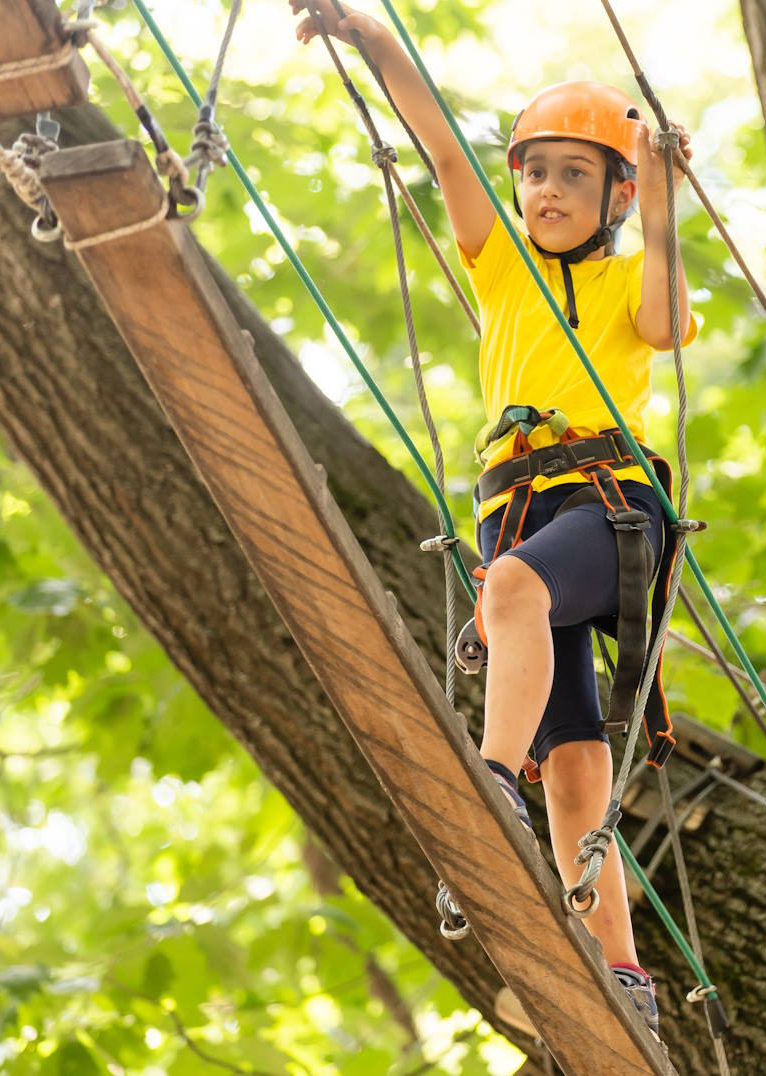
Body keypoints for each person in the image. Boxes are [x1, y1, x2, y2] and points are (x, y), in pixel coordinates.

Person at [293, 1, 697, 1040]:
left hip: (609, 509)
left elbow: (661, 321)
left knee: (510, 589)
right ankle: (622, 966)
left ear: (612, 193)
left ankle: (484, 781)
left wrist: (661, 199)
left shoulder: (619, 278)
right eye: (535, 171)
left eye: (575, 174)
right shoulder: (501, 264)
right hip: (519, 504)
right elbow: (435, 140)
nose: (547, 190)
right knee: (573, 760)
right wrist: (371, 38)